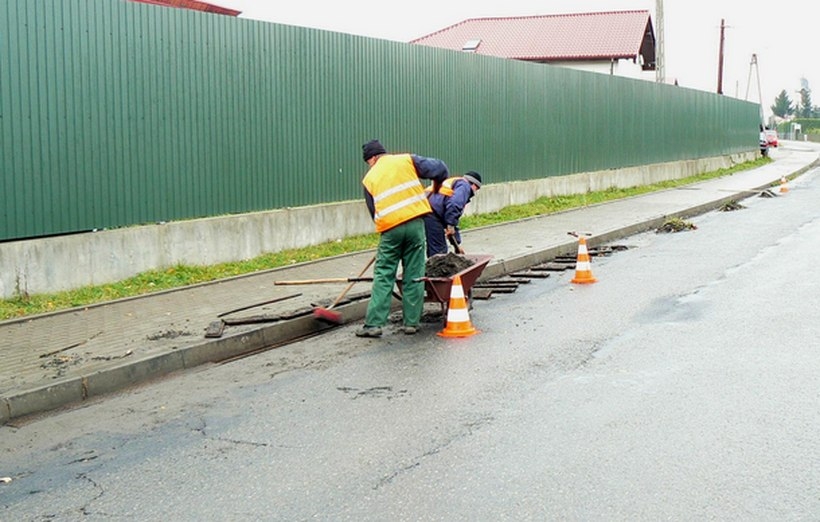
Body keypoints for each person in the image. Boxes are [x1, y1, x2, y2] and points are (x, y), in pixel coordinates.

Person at [356, 139, 449, 338]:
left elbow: (375, 212)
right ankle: (411, 323)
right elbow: (440, 168)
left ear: (371, 159)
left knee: (384, 275)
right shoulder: (406, 160)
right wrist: (436, 188)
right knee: (414, 272)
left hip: (390, 229)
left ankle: (373, 325)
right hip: (416, 225)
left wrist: (388, 237)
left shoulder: (369, 179)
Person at [423, 172, 482, 257]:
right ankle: (438, 269)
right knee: (439, 250)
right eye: (477, 189)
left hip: (425, 208)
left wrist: (457, 245)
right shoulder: (464, 186)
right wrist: (450, 225)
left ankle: (431, 266)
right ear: (474, 185)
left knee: (434, 246)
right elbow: (454, 205)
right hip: (431, 212)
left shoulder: (455, 182)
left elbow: (451, 218)